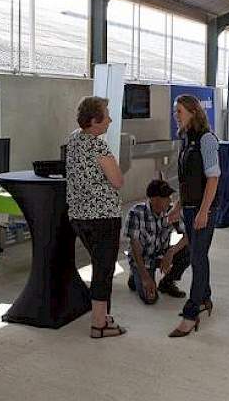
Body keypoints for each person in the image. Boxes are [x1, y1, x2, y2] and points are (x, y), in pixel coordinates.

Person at [65, 96, 126, 339]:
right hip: (103, 216)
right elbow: (117, 180)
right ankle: (99, 323)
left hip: (79, 216)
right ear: (94, 121)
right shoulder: (98, 146)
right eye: (106, 116)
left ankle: (102, 315)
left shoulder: (73, 140)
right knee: (103, 269)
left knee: (99, 264)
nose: (110, 119)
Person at [169, 94, 220, 338]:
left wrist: (203, 211)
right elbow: (186, 180)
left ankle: (192, 312)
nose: (175, 115)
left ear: (192, 112)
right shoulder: (185, 138)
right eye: (174, 111)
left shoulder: (206, 140)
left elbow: (213, 178)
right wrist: (178, 206)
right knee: (198, 255)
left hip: (203, 209)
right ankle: (205, 298)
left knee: (197, 258)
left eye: (179, 111)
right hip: (190, 208)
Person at [124, 179, 190, 304]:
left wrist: (171, 251)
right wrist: (144, 277)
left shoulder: (171, 212)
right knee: (151, 298)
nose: (170, 200)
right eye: (166, 197)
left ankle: (167, 282)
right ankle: (135, 275)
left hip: (162, 255)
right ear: (154, 199)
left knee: (190, 250)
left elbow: (188, 236)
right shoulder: (136, 213)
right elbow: (135, 247)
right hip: (143, 260)